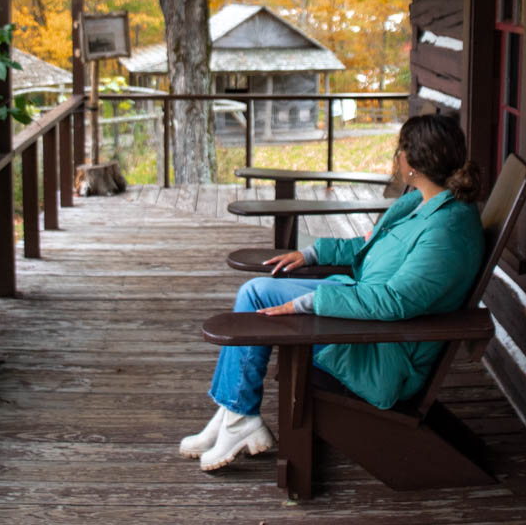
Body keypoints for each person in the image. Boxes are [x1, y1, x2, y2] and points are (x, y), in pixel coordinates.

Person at [179, 114, 484, 472]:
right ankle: (235, 412)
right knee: (256, 291)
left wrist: (308, 304)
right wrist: (313, 253)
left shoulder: (446, 230)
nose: (396, 157)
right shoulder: (421, 203)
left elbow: (395, 301)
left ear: (412, 162)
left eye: (400, 149)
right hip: (359, 309)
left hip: (382, 350)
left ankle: (237, 415)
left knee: (260, 299)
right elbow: (370, 247)